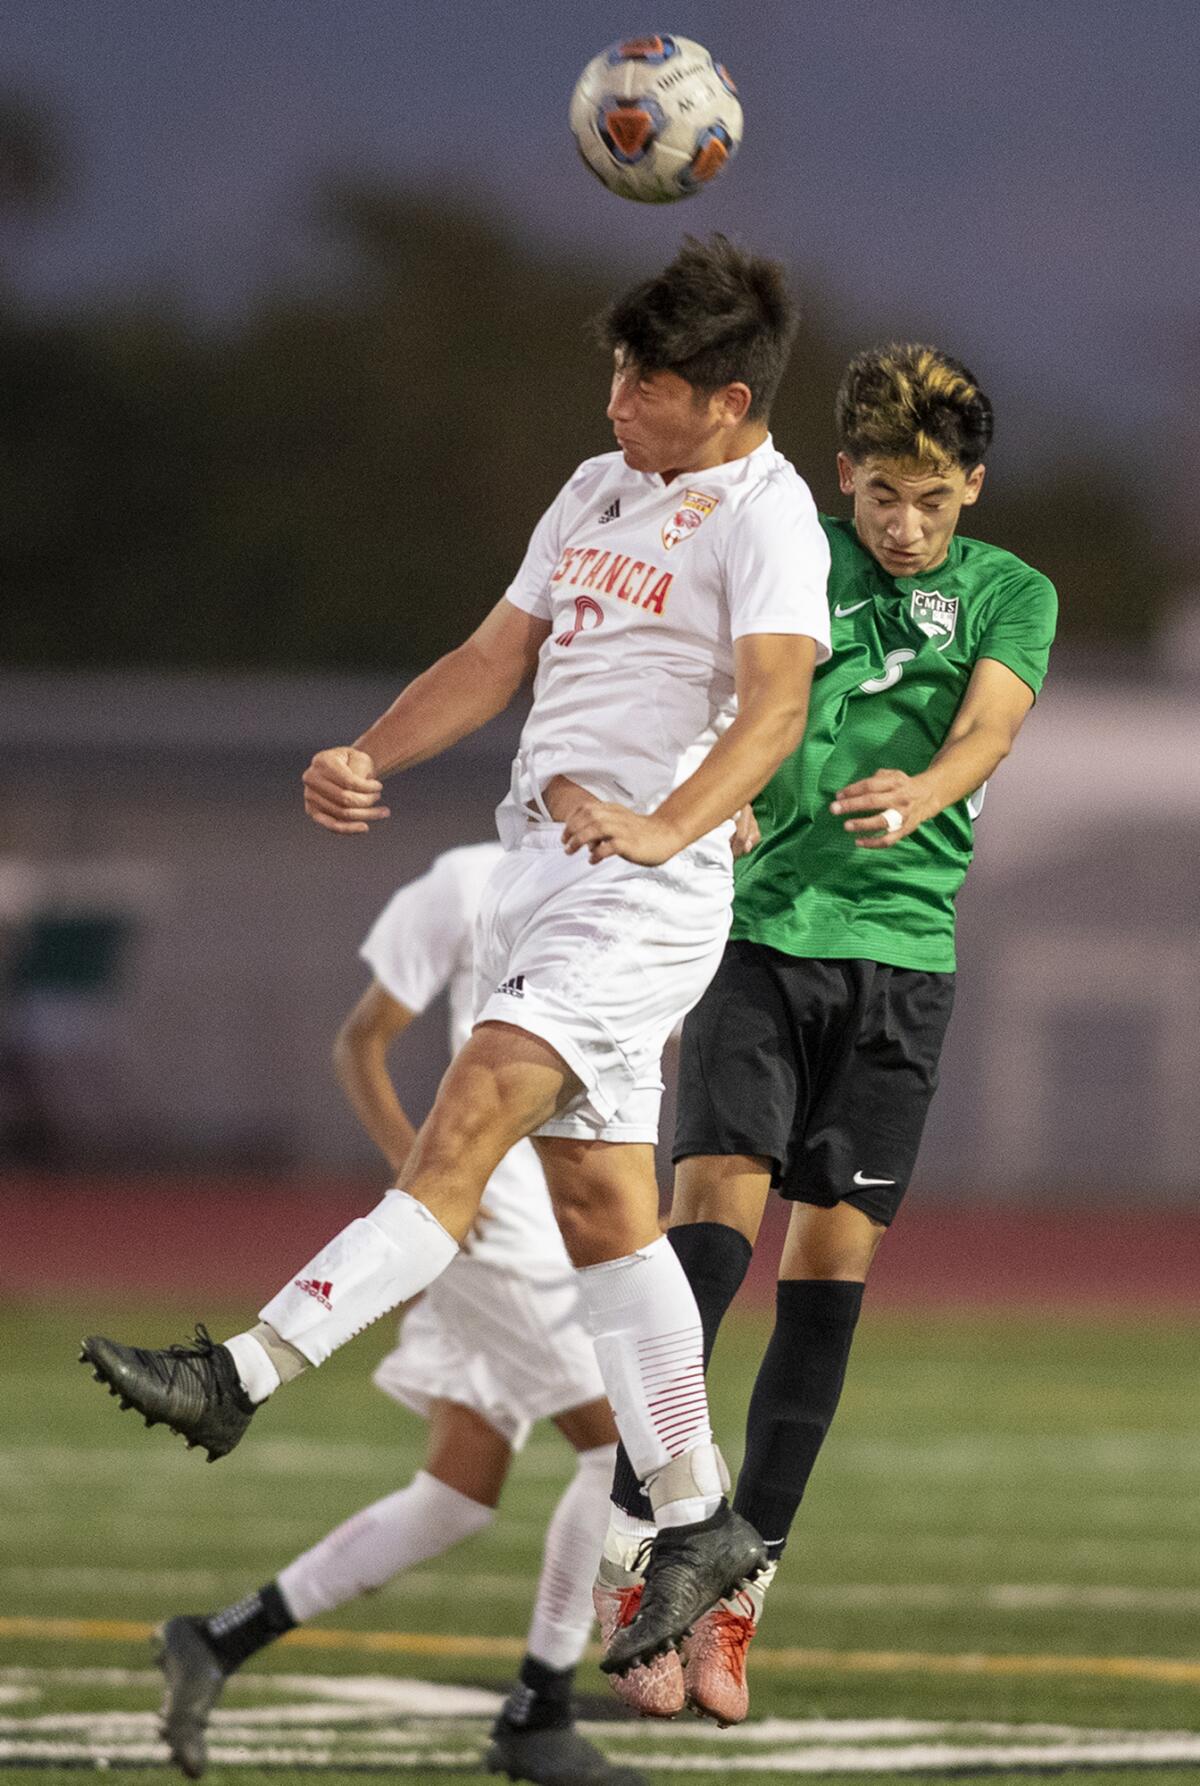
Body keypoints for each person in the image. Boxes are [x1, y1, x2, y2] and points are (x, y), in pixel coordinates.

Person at [81, 233, 833, 1676]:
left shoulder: (772, 518)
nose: (618, 397)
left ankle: (242, 1368)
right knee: (609, 1212)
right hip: (542, 880)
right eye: (617, 369)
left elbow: (775, 709)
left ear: (730, 399)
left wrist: (674, 827)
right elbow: (498, 657)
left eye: (650, 381)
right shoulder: (597, 484)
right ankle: (698, 1513)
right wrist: (366, 751)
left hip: (639, 893)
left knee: (470, 1113)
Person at [595, 343, 1059, 1724]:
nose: (899, 524)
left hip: (902, 969)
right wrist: (716, 791)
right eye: (878, 493)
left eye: (927, 498)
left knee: (827, 1285)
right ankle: (645, 1570)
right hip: (757, 946)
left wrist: (922, 791)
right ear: (841, 474)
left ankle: (739, 1596)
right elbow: (714, 695)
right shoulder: (790, 552)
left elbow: (988, 733)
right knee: (707, 1251)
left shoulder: (1009, 593)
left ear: (970, 487)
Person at [150, 844, 646, 1786]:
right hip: (500, 1226)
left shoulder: (639, 870)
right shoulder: (471, 877)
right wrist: (426, 1185)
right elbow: (361, 1038)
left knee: (453, 1498)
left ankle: (215, 1641)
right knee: (616, 1452)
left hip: (551, 1218)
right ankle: (538, 1710)